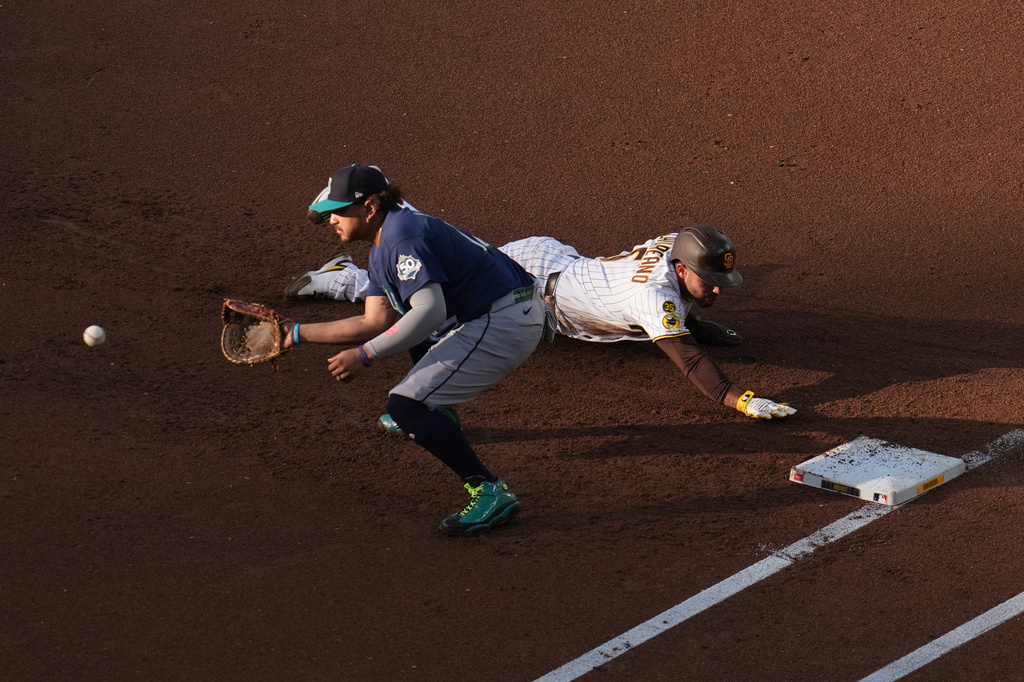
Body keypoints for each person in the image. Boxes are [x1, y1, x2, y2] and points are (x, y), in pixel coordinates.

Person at [287, 224, 796, 422]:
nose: (715, 290)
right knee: (424, 304)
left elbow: (672, 307)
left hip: (556, 258)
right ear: (681, 269)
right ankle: (343, 278)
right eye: (709, 282)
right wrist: (739, 399)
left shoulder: (675, 245)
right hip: (530, 282)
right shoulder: (652, 296)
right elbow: (686, 359)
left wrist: (695, 317)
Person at [283, 164, 547, 536]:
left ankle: (488, 491)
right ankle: (437, 414)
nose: (331, 220)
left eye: (339, 210)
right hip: (498, 311)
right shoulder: (382, 244)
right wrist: (293, 334)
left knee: (406, 406)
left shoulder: (403, 237)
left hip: (506, 321)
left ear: (370, 207)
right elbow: (373, 322)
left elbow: (431, 311)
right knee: (411, 330)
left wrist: (364, 355)